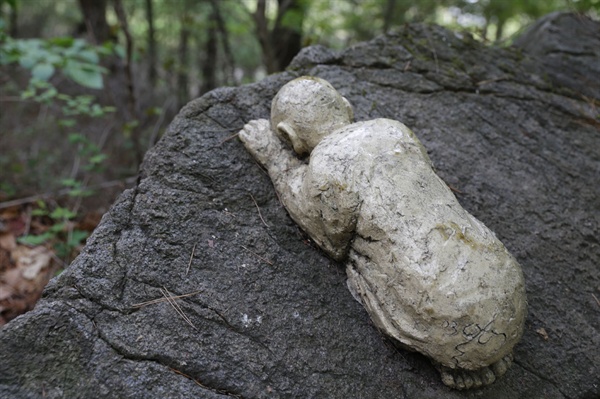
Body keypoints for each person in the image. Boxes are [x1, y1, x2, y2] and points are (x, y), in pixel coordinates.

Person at [239, 76, 526, 390]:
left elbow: (330, 241)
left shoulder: (327, 165)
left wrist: (275, 161)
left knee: (366, 262)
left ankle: (460, 352)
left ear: (289, 136)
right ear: (346, 106)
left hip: (440, 299)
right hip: (503, 280)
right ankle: (488, 344)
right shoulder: (392, 129)